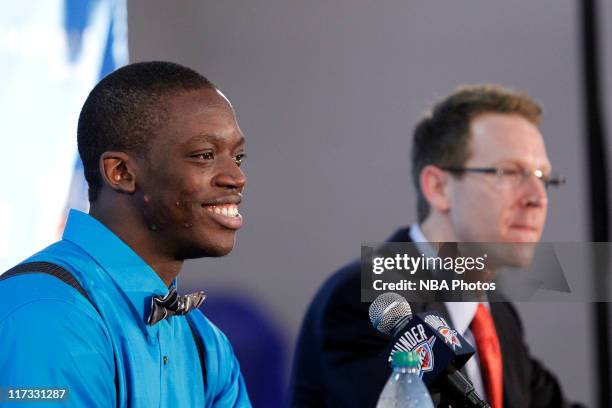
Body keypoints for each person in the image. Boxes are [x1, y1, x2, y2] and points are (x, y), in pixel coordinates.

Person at [289, 84, 573, 407]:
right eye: (510, 173)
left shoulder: (499, 315)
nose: (538, 198)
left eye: (544, 178)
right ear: (438, 188)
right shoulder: (371, 300)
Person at [0, 61, 251, 407]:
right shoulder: (47, 314)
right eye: (204, 155)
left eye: (237, 158)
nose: (236, 178)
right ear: (120, 172)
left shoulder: (206, 344)